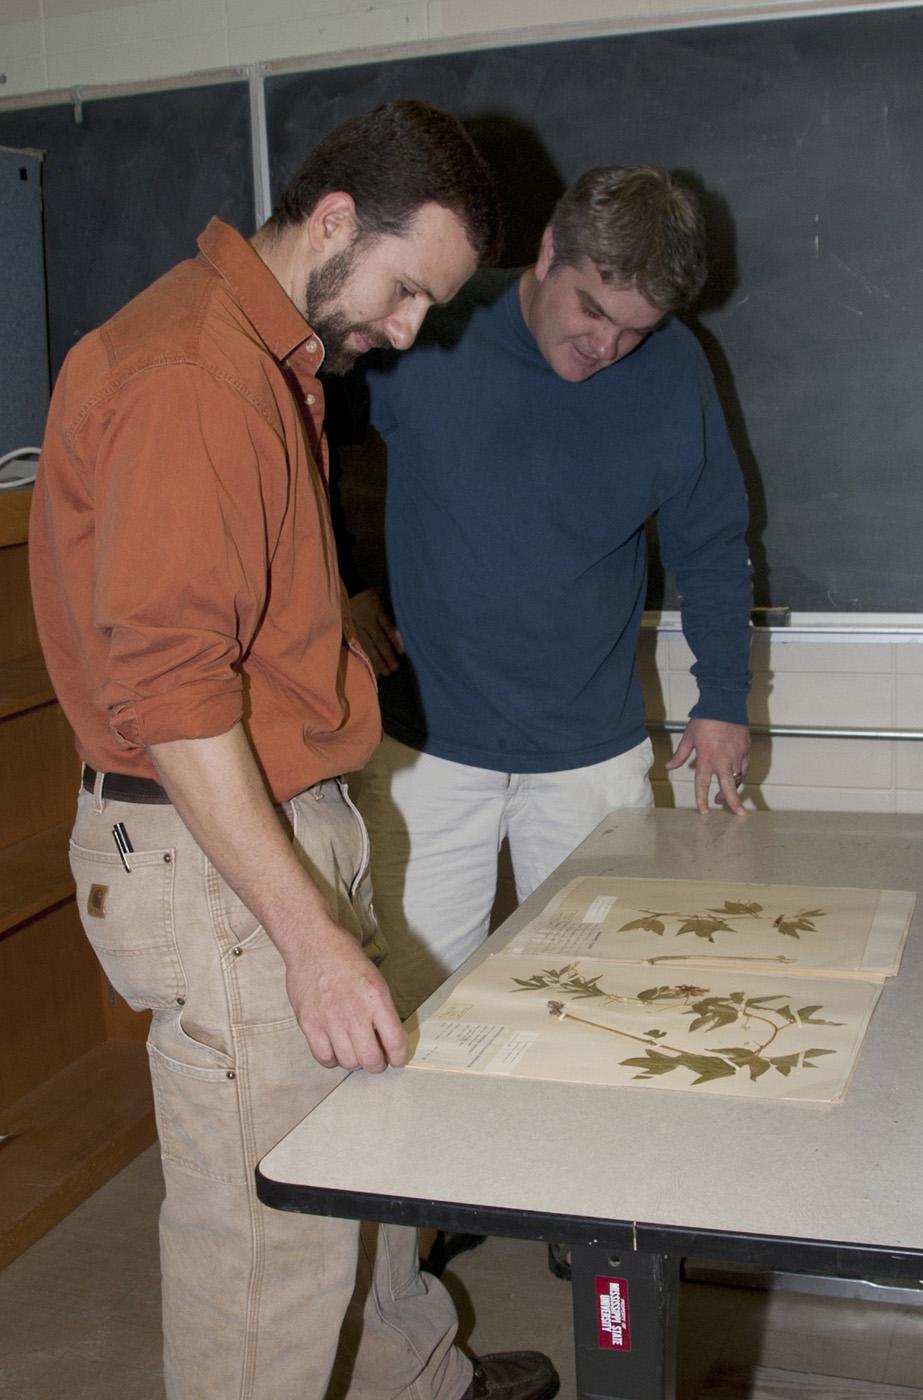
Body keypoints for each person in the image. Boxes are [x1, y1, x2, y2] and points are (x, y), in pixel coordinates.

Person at [29, 101, 557, 1400]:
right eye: (404, 288)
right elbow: (171, 690)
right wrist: (308, 936)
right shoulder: (192, 375)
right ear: (332, 222)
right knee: (272, 1254)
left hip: (268, 832)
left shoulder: (261, 358)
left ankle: (413, 1380)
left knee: (360, 1159)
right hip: (219, 861)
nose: (409, 327)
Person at [342, 165, 754, 1020]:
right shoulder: (433, 325)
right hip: (428, 751)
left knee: (601, 1002)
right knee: (415, 1008)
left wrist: (724, 699)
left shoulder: (676, 371)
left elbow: (711, 543)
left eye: (634, 330)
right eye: (592, 311)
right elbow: (311, 450)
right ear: (548, 252)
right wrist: (345, 584)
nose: (604, 347)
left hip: (588, 758)